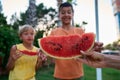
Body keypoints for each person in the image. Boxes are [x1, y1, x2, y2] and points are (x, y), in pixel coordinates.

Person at [48, 2, 103, 80]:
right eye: (63, 12)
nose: (66, 14)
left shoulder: (80, 31)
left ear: (73, 14)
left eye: (69, 12)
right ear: (59, 15)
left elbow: (86, 52)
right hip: (59, 75)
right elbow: (50, 54)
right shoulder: (54, 33)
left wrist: (94, 48)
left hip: (78, 75)